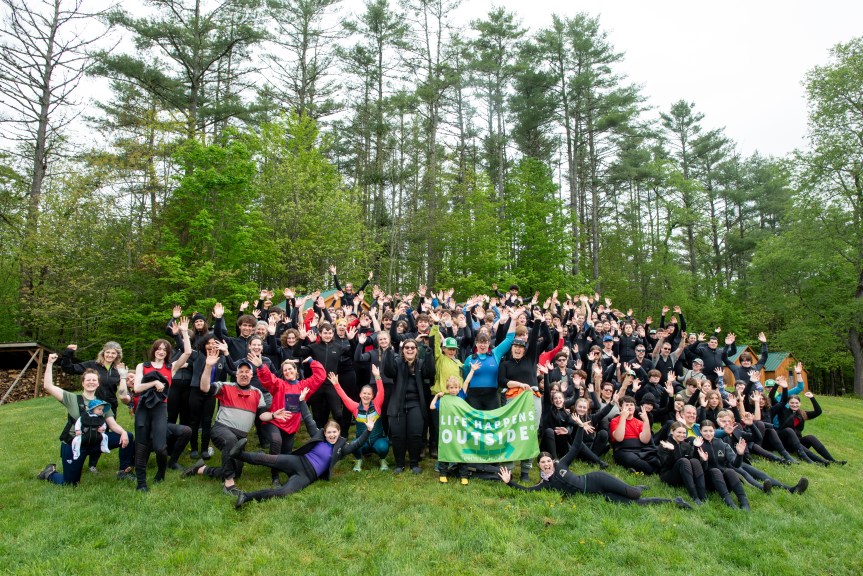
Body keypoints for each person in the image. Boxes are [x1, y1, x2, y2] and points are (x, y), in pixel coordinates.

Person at [232, 387, 375, 508]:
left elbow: (357, 444)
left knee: (284, 492)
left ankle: (246, 496)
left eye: (334, 432)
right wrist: (301, 401)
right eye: (329, 432)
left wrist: (368, 430)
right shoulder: (318, 435)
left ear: (339, 433)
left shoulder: (341, 448)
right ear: (325, 433)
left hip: (307, 475)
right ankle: (238, 454)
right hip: (298, 461)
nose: (332, 435)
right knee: (267, 459)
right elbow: (308, 419)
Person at [497, 428, 692, 509]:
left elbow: (575, 448)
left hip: (597, 479)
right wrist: (509, 482)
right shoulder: (545, 483)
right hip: (600, 494)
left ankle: (639, 487)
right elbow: (527, 490)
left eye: (548, 461)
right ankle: (675, 501)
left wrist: (579, 427)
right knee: (635, 503)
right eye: (543, 462)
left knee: (634, 494)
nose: (546, 464)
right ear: (539, 466)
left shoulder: (560, 465)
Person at [182, 351, 288, 496]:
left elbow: (262, 415)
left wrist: (273, 415)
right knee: (230, 441)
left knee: (236, 470)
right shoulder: (226, 386)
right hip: (222, 429)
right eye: (241, 372)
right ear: (236, 374)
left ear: (251, 375)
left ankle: (201, 469)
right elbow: (205, 388)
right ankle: (229, 485)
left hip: (241, 438)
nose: (244, 374)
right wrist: (208, 367)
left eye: (247, 372)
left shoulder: (257, 393)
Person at [37, 354, 134, 485]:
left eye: (94, 380)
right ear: (82, 383)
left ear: (98, 383)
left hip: (95, 441)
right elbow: (48, 386)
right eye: (88, 380)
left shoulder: (103, 404)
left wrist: (123, 432)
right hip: (75, 443)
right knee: (70, 483)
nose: (91, 382)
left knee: (128, 436)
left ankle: (124, 471)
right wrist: (49, 363)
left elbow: (112, 424)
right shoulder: (71, 399)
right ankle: (49, 473)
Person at [248, 353, 326, 486]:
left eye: (290, 369)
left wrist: (312, 361)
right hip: (273, 422)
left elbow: (320, 376)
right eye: (285, 370)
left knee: (285, 456)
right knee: (276, 441)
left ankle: (263, 457)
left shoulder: (303, 386)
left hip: (290, 427)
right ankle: (275, 477)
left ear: (296, 371)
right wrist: (261, 366)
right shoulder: (279, 384)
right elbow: (269, 379)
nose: (288, 371)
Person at [132, 318, 192, 491]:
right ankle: (141, 483)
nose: (161, 351)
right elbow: (137, 388)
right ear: (154, 350)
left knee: (160, 447)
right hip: (143, 408)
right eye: (158, 349)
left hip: (160, 408)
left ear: (168, 353)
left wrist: (184, 332)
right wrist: (153, 383)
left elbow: (187, 352)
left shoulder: (170, 367)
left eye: (164, 350)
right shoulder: (142, 366)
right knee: (141, 446)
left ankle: (161, 471)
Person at [330, 364, 389, 472]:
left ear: (372, 396)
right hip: (362, 441)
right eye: (364, 393)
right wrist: (336, 384)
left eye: (369, 394)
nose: (366, 396)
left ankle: (383, 460)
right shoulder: (355, 407)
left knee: (383, 447)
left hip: (378, 440)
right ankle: (358, 460)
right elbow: (344, 397)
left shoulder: (377, 404)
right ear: (360, 395)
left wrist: (377, 376)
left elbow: (381, 391)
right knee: (354, 445)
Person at [658, 422, 707, 505]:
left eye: (684, 433)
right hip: (669, 475)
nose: (682, 435)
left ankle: (703, 495)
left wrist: (696, 447)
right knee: (683, 461)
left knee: (694, 461)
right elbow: (667, 464)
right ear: (672, 431)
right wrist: (671, 451)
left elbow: (693, 461)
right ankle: (694, 496)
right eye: (679, 432)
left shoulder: (686, 445)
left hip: (685, 475)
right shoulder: (665, 444)